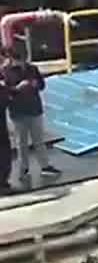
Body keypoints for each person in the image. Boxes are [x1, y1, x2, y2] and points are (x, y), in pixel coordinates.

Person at [3, 47, 51, 190]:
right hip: (18, 111)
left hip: (34, 108)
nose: (21, 62)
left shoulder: (32, 69)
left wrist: (36, 84)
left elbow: (42, 85)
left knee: (38, 140)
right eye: (18, 59)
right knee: (21, 142)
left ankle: (45, 165)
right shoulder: (5, 72)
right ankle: (24, 167)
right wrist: (17, 88)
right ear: (11, 59)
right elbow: (5, 91)